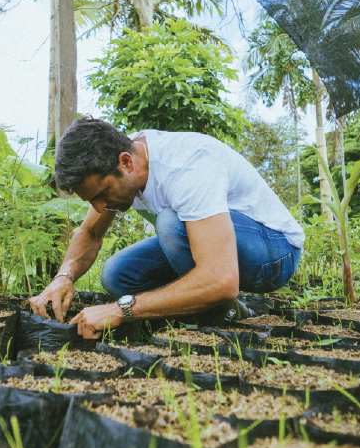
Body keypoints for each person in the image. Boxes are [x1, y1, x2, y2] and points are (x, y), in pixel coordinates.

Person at [30, 116, 304, 339]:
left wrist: (121, 310)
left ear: (126, 163)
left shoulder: (186, 167)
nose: (100, 207)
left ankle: (224, 312)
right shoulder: (119, 161)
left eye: (102, 194)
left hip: (275, 252)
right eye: (92, 200)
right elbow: (90, 233)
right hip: (217, 242)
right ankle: (197, 307)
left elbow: (223, 279)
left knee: (171, 224)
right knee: (116, 274)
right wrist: (63, 277)